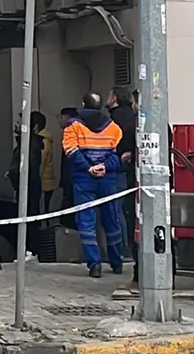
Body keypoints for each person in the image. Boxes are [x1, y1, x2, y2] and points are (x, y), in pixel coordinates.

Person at [63, 93, 126, 277]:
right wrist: (104, 166)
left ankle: (95, 265)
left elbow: (71, 151)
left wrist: (89, 168)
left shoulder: (73, 126)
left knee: (86, 222)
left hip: (84, 179)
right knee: (112, 220)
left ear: (83, 104)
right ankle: (117, 262)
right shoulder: (114, 127)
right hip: (107, 179)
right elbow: (118, 154)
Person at [106, 87, 138, 263]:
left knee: (117, 208)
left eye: (110, 95)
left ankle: (124, 249)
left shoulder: (117, 118)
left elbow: (118, 141)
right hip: (127, 168)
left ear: (115, 98)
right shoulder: (129, 117)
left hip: (120, 168)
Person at [35, 112, 58, 213]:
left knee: (43, 210)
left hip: (43, 182)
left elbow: (41, 161)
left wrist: (36, 178)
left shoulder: (42, 141)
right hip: (46, 180)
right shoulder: (43, 139)